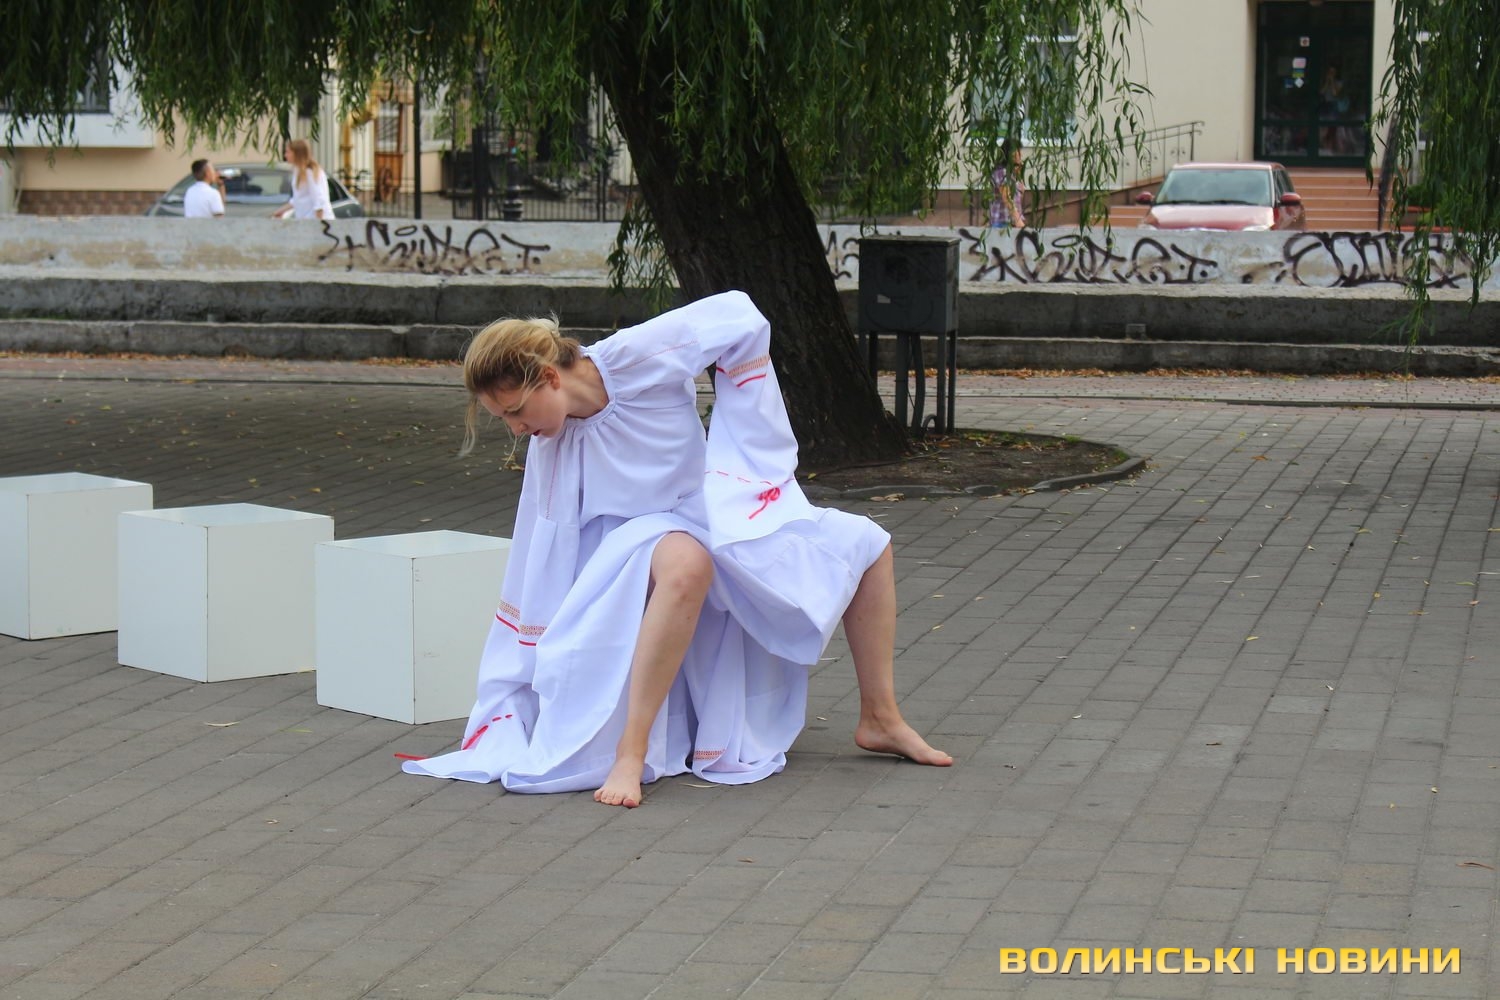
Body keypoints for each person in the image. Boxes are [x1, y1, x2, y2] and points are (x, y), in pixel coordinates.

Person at [403, 291, 952, 807]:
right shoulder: (553, 441)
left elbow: (740, 317)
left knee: (865, 544)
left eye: (515, 411)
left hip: (705, 512)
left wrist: (742, 454)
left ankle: (880, 717)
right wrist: (529, 654)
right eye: (504, 419)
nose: (516, 429)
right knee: (687, 564)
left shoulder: (635, 356)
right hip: (622, 549)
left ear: (549, 377)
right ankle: (631, 752)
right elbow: (542, 546)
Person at [273, 138, 333, 220]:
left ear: (297, 154)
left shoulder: (310, 172)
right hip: (305, 221)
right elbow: (298, 199)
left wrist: (319, 224)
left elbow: (319, 201)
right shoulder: (298, 171)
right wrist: (281, 211)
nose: (285, 155)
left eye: (288, 152)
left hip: (315, 221)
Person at [988, 143, 1026, 230]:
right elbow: (1006, 197)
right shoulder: (1002, 172)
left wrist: (1019, 174)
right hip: (1002, 222)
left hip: (1012, 222)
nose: (1021, 155)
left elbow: (1019, 197)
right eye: (1018, 151)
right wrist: (1018, 221)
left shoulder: (1013, 173)